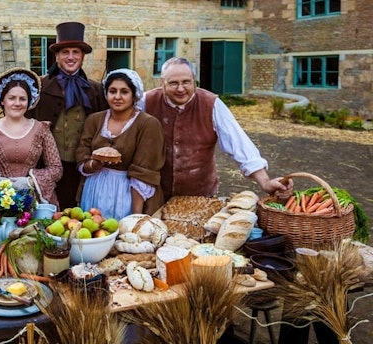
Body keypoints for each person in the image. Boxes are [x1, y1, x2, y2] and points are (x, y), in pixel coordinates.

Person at [143, 57, 292, 201]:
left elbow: (238, 143)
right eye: (173, 83)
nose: (181, 88)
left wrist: (265, 182)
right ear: (163, 83)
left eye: (186, 82)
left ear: (194, 81)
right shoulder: (146, 102)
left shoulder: (212, 104)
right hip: (153, 195)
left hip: (200, 197)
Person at [25, 22, 108, 209]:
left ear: (82, 56)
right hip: (47, 166)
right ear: (57, 56)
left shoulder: (95, 89)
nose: (70, 57)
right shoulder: (40, 86)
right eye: (65, 52)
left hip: (82, 166)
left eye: (75, 52)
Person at [76, 69, 165, 220]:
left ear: (134, 95)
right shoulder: (95, 120)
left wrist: (136, 217)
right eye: (112, 91)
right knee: (93, 231)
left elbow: (144, 172)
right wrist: (93, 165)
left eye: (124, 92)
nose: (117, 97)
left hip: (128, 193)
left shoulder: (147, 124)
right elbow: (82, 152)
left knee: (123, 237)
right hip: (94, 188)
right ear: (106, 94)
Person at [0, 68, 62, 208]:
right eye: (12, 98)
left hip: (33, 200)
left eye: (22, 99)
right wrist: (0, 182)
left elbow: (56, 168)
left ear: (29, 102)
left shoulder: (41, 129)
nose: (17, 103)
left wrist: (30, 182)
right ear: (2, 100)